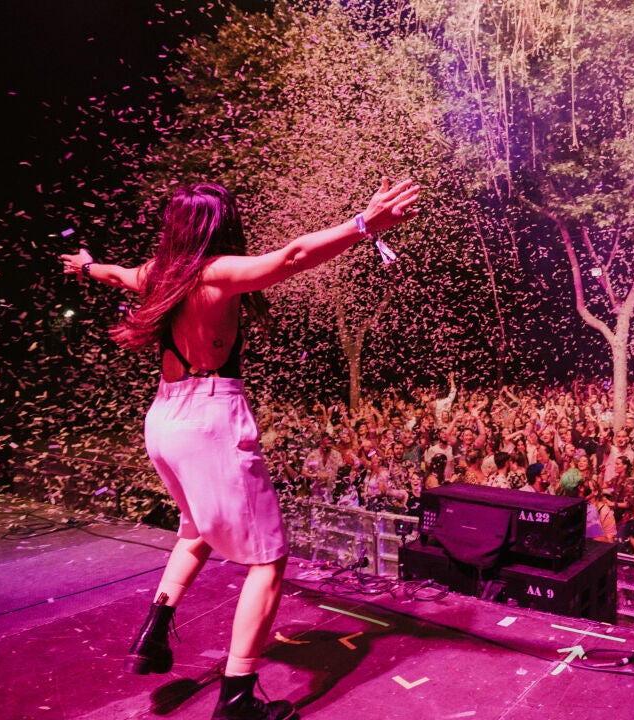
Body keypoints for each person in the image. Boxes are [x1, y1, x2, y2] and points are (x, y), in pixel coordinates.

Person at [60, 179, 419, 720]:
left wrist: (87, 267)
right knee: (269, 560)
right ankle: (236, 698)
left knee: (196, 529)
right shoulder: (217, 272)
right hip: (209, 420)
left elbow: (116, 274)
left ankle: (152, 633)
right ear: (220, 224)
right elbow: (293, 256)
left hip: (163, 419)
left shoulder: (158, 275)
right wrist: (364, 224)